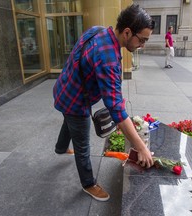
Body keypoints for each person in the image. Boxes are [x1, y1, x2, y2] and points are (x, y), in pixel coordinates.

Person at [53, 4, 155, 202]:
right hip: (76, 101)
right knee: (82, 145)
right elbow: (117, 109)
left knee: (68, 119)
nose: (142, 45)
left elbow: (77, 55)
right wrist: (141, 147)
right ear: (127, 32)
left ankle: (60, 148)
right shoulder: (108, 58)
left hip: (63, 88)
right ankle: (88, 184)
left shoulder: (97, 30)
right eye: (141, 40)